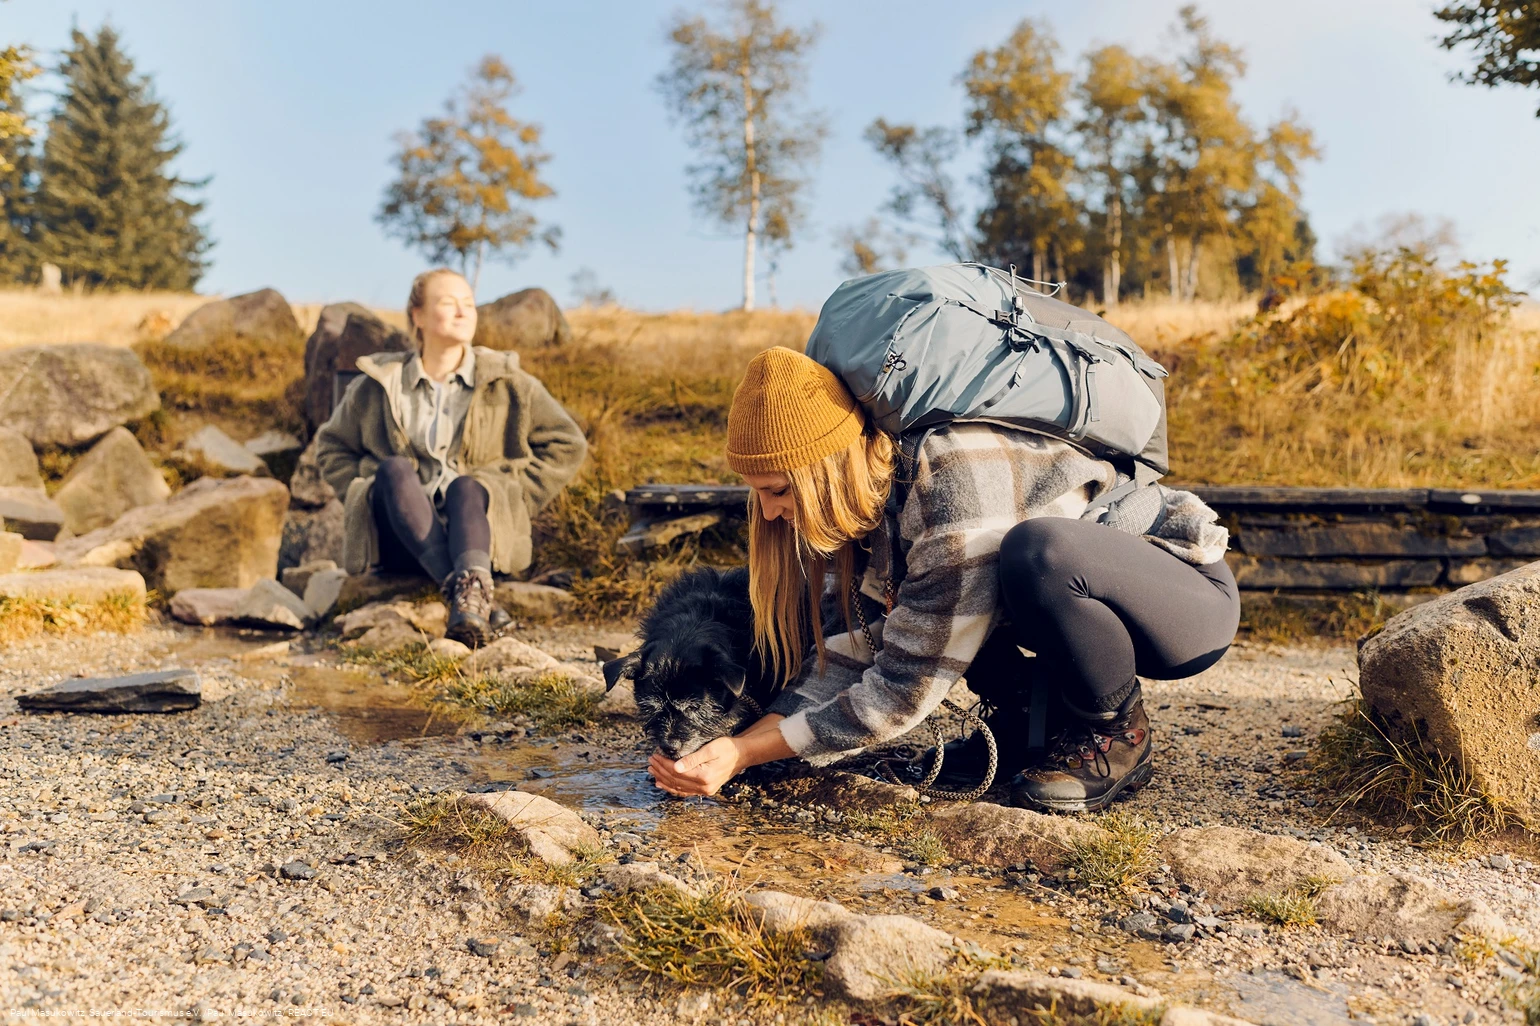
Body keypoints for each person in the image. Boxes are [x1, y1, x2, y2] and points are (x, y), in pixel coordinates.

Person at [647, 345, 1238, 812]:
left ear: (825, 468)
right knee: (934, 600)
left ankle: (1114, 734)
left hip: (1184, 604)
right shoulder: (875, 504)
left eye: (777, 491)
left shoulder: (950, 481)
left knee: (1041, 554)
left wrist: (747, 751)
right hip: (1079, 604)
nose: (771, 513)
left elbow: (904, 686)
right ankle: (1028, 728)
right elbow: (852, 650)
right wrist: (744, 744)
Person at [314, 268, 588, 648]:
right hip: (402, 540)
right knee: (393, 470)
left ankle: (469, 591)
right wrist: (358, 492)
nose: (463, 312)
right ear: (418, 317)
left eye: (469, 304)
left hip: (479, 534)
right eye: (448, 303)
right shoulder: (379, 383)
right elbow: (330, 445)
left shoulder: (507, 380)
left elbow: (567, 442)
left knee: (469, 486)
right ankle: (475, 603)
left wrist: (517, 499)